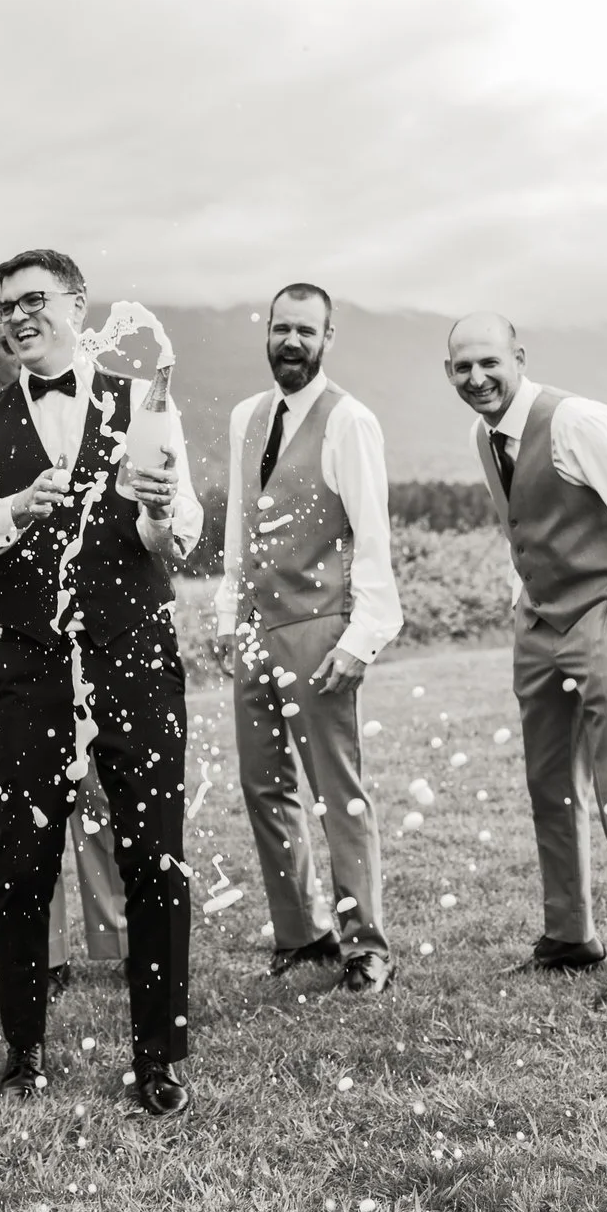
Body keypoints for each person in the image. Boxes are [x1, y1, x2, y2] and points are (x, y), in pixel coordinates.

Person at [0, 249, 202, 1115]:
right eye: (5, 305)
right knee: (21, 860)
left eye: (34, 300)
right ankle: (23, 1049)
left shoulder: (147, 400)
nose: (16, 317)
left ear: (79, 306)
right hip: (32, 664)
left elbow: (180, 536)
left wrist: (157, 508)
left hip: (135, 652)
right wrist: (17, 508)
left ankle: (157, 1053)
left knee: (154, 855)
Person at [443, 314, 607, 1010]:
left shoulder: (579, 420)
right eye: (461, 368)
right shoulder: (481, 436)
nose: (476, 378)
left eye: (489, 362)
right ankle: (568, 936)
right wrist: (524, 597)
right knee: (550, 784)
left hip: (605, 619)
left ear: (518, 357)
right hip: (539, 623)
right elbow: (520, 520)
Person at [0, 310, 129, 990]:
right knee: (23, 795)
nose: (24, 353)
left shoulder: (92, 409)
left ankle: (116, 937)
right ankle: (48, 953)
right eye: (8, 345)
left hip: (80, 624)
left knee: (98, 782)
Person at [214, 283, 405, 993]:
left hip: (322, 628)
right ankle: (303, 932)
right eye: (281, 328)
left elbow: (374, 539)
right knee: (262, 784)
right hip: (256, 630)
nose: (291, 341)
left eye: (306, 330)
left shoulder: (350, 421)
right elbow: (239, 521)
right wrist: (228, 615)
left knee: (337, 790)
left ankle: (367, 945)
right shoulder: (246, 417)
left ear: (329, 338)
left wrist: (362, 639)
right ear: (266, 332)